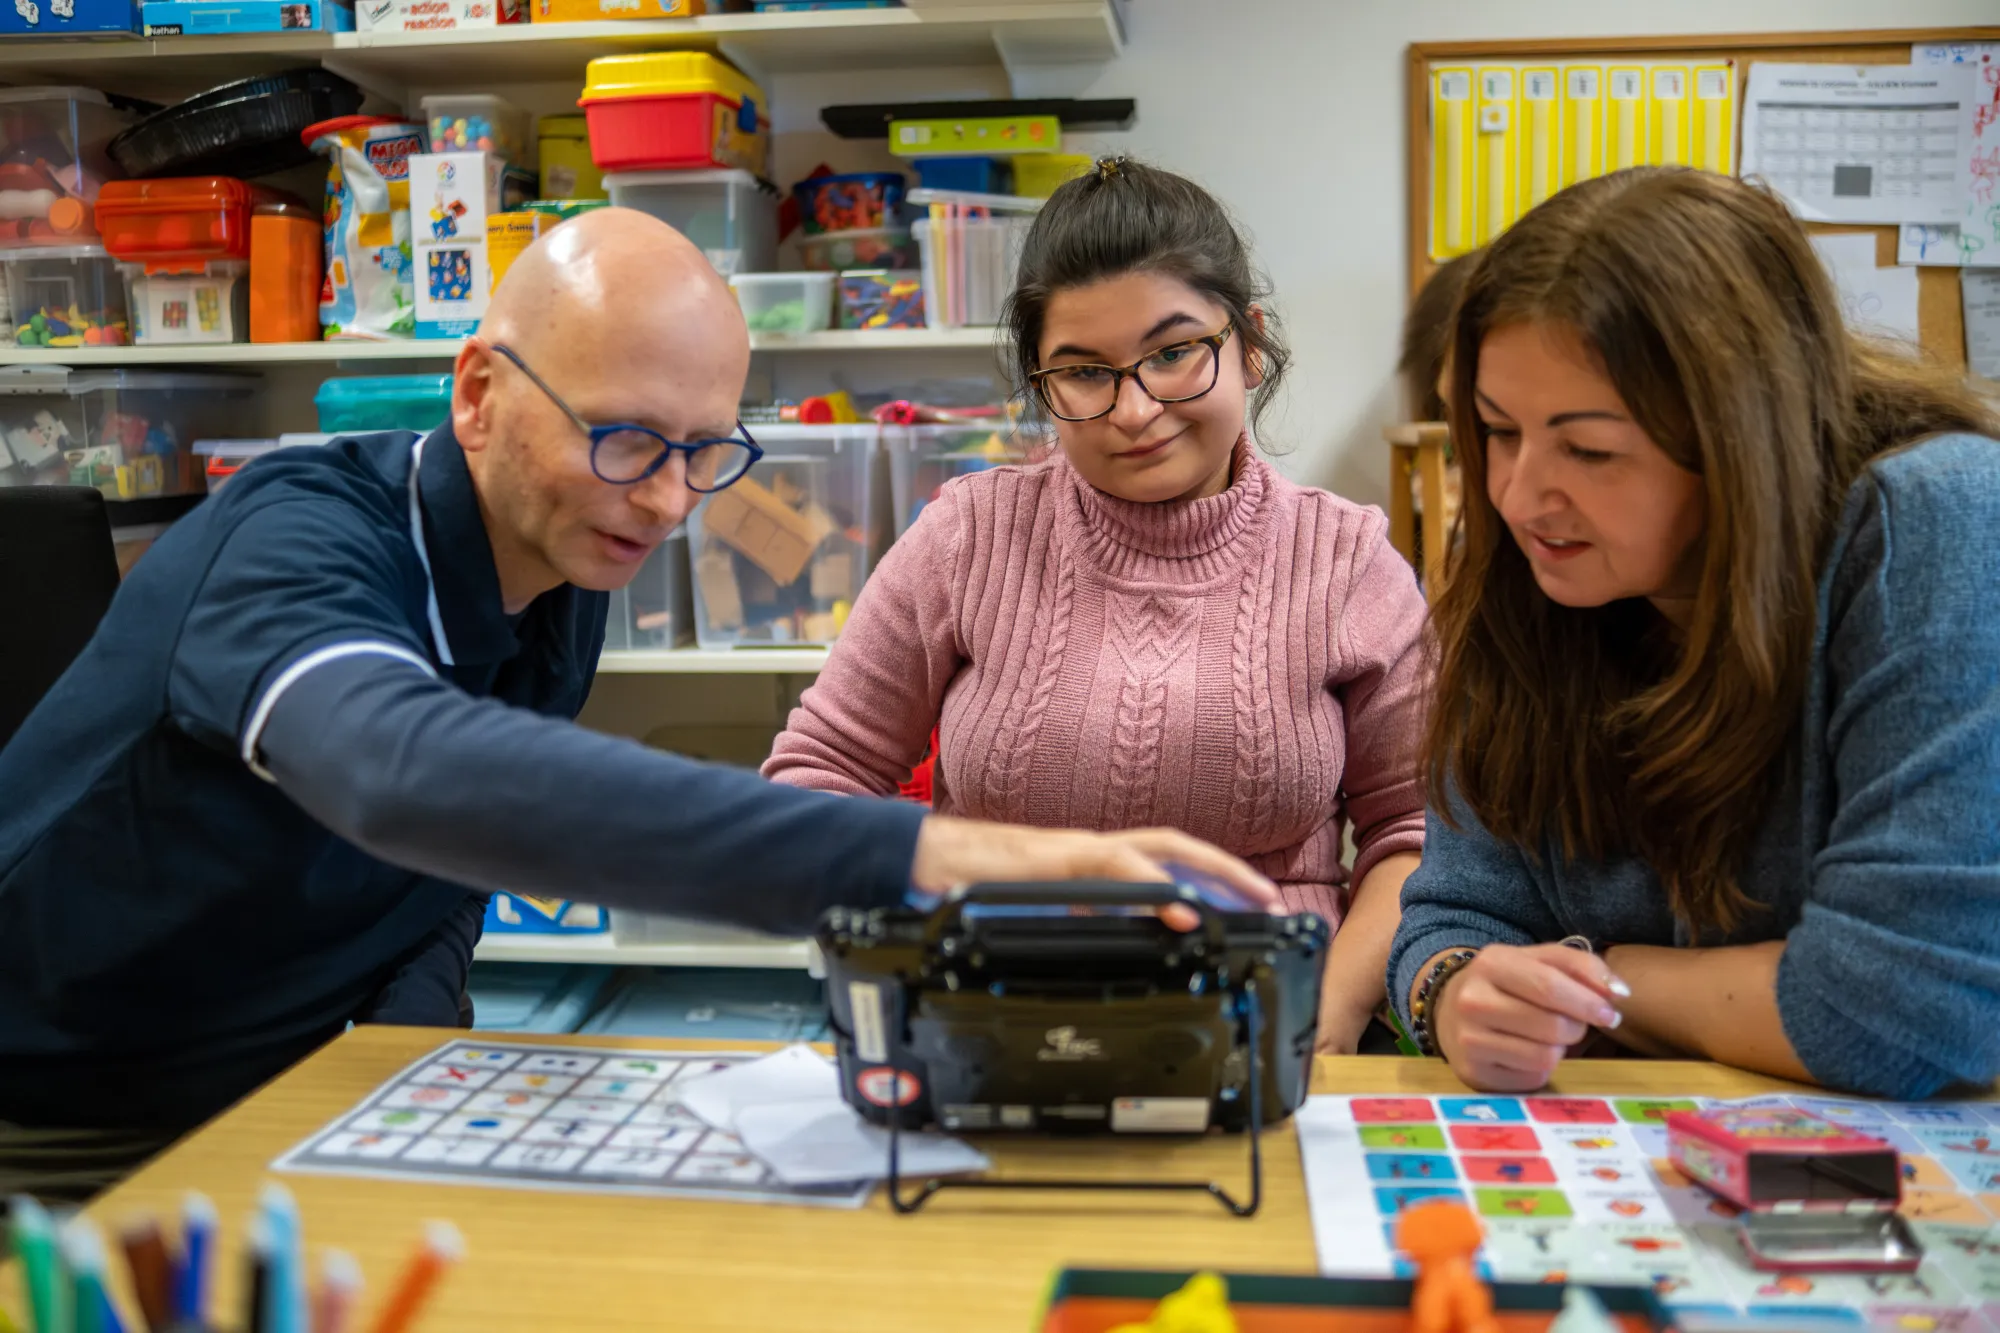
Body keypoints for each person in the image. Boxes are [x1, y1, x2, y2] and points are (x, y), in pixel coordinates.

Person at [0, 208, 1277, 1199]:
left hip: (280, 1095)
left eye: (701, 452)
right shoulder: (291, 538)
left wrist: (399, 1080)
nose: (668, 503)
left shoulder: (563, 564)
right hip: (60, 1112)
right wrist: (942, 856)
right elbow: (399, 774)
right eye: (623, 440)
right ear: (477, 393)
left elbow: (439, 873)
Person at [764, 159, 1431, 1054]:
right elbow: (817, 777)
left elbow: (1416, 834)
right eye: (1084, 372)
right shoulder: (968, 536)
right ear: (1040, 385)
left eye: (1173, 352)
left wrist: (1333, 1015)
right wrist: (913, 968)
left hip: (1268, 1039)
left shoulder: (1347, 559)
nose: (1136, 408)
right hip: (988, 1031)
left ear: (1251, 343)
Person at [1384, 167, 2000, 1100]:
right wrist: (1457, 991)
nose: (1516, 496)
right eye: (1496, 429)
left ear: (1740, 434)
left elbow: (1904, 1011)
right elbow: (1454, 913)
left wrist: (1605, 976)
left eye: (1589, 449)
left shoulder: (1935, 520)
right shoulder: (1530, 577)